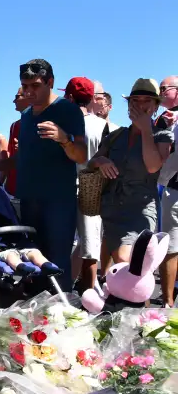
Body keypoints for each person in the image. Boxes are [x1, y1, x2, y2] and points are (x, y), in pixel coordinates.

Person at [16, 59, 87, 291]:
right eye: (25, 86)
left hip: (58, 202)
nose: (28, 91)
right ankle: (35, 318)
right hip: (28, 200)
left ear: (50, 82)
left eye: (35, 86)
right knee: (32, 262)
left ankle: (61, 315)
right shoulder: (25, 116)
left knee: (57, 264)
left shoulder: (68, 110)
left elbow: (81, 155)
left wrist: (64, 138)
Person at [90, 78, 172, 275]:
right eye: (135, 100)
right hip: (111, 208)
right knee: (130, 268)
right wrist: (102, 162)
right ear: (128, 105)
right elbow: (93, 161)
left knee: (129, 261)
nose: (140, 105)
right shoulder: (116, 135)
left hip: (140, 210)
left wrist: (145, 130)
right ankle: (128, 302)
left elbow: (153, 166)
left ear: (155, 107)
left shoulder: (163, 136)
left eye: (147, 101)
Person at [62, 77, 118, 290]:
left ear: (68, 97)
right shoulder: (106, 126)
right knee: (90, 245)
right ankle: (87, 292)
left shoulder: (63, 125)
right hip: (94, 188)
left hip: (66, 188)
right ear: (92, 98)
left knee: (77, 246)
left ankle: (77, 291)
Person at [155, 76, 178, 306]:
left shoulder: (169, 120)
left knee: (171, 243)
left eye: (164, 89)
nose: (160, 93)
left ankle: (168, 299)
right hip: (170, 187)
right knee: (171, 243)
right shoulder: (164, 119)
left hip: (171, 185)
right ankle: (169, 298)